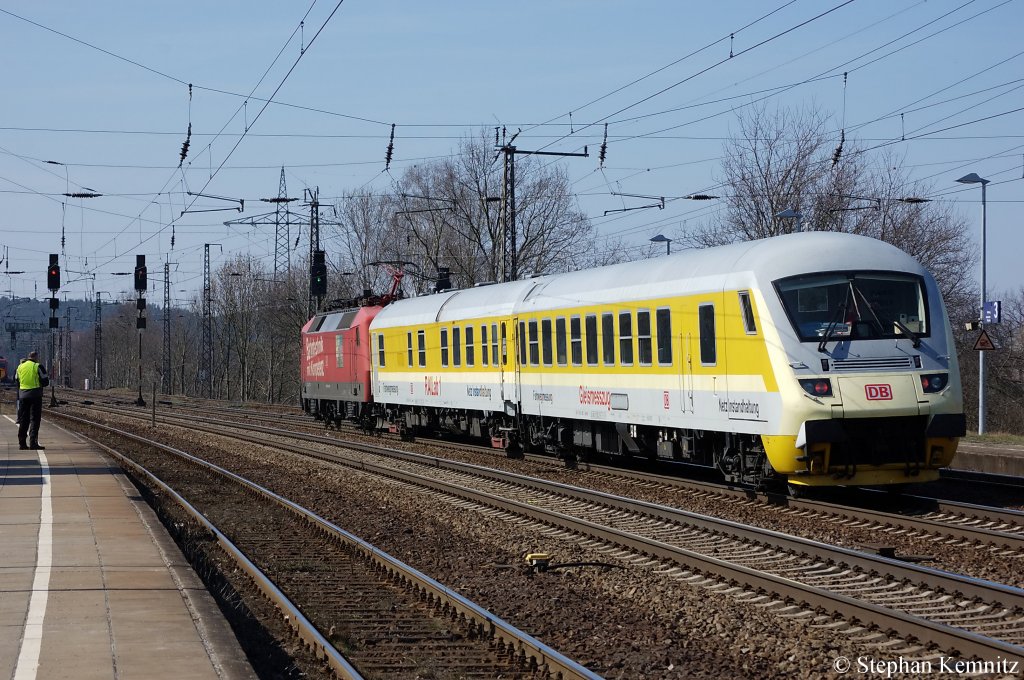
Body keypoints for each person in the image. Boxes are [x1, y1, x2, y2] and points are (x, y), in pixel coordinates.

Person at [16, 351, 48, 450]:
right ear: (36, 357)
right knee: (34, 419)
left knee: (23, 419)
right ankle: (33, 443)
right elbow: (45, 381)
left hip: (23, 396)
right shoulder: (38, 366)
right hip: (35, 396)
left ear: (28, 357)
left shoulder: (20, 367)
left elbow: (16, 380)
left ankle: (22, 443)